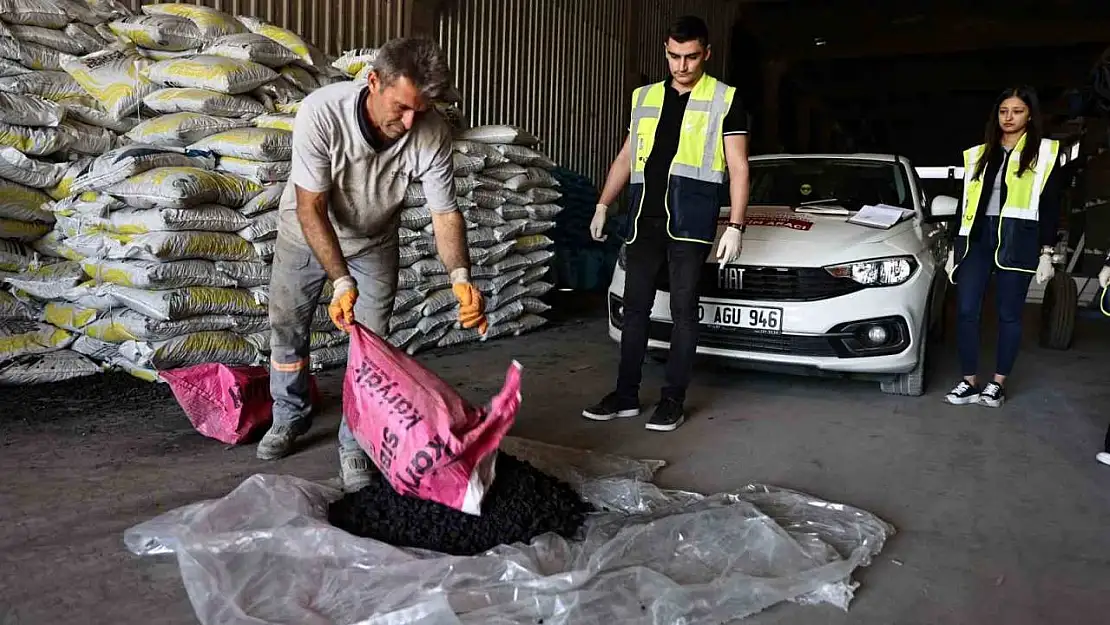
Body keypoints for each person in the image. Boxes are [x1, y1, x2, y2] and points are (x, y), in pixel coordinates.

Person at [258, 37, 488, 491]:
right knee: (287, 329)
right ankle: (289, 416)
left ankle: (354, 443)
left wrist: (460, 277)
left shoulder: (430, 128)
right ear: (373, 81)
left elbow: (445, 213)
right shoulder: (322, 113)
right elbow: (311, 208)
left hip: (375, 241)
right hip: (305, 234)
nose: (409, 122)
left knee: (372, 348)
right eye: (401, 107)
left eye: (419, 111)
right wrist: (340, 280)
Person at [585, 15, 750, 432]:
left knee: (683, 313)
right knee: (635, 309)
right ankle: (625, 395)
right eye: (675, 56)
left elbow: (739, 167)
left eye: (691, 57)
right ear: (665, 50)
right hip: (644, 219)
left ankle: (672, 400)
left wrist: (736, 225)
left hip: (691, 223)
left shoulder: (725, 98)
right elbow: (626, 157)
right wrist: (604, 203)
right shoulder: (644, 97)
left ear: (706, 54)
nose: (682, 65)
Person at [943, 86, 1061, 408]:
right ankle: (969, 380)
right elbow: (964, 203)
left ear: (1030, 115)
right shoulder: (979, 154)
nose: (1009, 118)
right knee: (967, 311)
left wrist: (1047, 251)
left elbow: (1050, 205)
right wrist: (955, 246)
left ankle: (997, 383)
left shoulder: (1045, 153)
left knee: (1009, 314)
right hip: (977, 241)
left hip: (1018, 240)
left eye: (1017, 111)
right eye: (1003, 111)